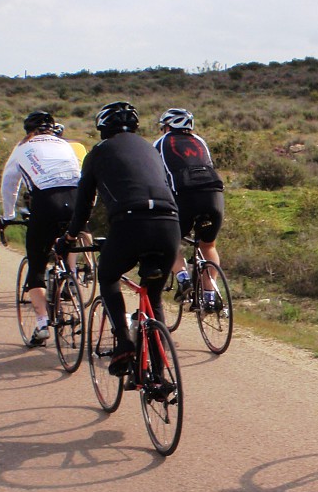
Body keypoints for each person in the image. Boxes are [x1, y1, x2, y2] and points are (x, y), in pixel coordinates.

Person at [62, 102, 180, 376]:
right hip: (170, 223)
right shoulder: (150, 149)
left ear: (103, 128)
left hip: (130, 222)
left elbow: (84, 204)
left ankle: (124, 343)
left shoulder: (98, 153)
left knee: (108, 276)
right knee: (155, 297)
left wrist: (70, 236)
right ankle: (160, 376)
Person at [0, 110, 81, 345]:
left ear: (30, 132)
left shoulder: (23, 147)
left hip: (46, 203)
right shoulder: (65, 145)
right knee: (65, 248)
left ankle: (42, 323)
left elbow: (9, 184)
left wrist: (8, 215)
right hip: (76, 203)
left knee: (36, 264)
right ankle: (69, 283)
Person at [154, 108, 225, 310]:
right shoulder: (200, 142)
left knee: (170, 242)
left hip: (184, 197)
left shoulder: (161, 143)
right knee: (208, 245)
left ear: (167, 127)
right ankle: (210, 296)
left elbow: (157, 175)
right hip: (214, 195)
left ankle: (183, 278)